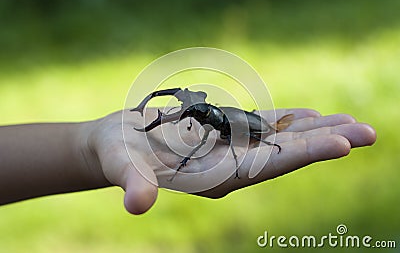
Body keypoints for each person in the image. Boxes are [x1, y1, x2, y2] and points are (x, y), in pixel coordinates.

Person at [0, 108, 376, 214]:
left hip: (254, 127)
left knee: (242, 133)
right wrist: (85, 144)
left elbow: (231, 130)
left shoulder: (224, 124)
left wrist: (83, 144)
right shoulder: (212, 123)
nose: (198, 123)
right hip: (247, 124)